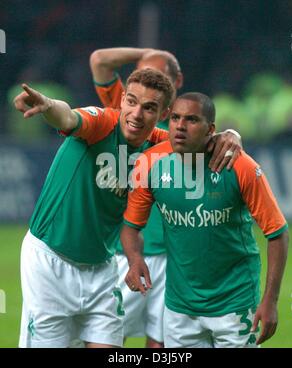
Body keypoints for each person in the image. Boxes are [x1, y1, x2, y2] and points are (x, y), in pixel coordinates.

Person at [14, 69, 239, 348]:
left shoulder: (160, 144)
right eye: (131, 102)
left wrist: (232, 134)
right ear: (122, 100)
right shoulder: (101, 123)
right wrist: (48, 105)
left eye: (149, 108)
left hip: (102, 268)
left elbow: (204, 140)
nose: (136, 113)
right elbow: (68, 116)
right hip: (50, 261)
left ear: (164, 114)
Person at [90, 47, 242, 347]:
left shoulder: (188, 127)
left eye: (159, 76)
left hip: (175, 258)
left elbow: (221, 141)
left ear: (177, 81)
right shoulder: (132, 116)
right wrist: (146, 51)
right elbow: (99, 61)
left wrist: (233, 134)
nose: (150, 81)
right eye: (142, 75)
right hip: (126, 252)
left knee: (162, 343)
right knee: (104, 336)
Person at [120, 92, 289, 348]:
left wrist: (271, 301)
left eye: (191, 120)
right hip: (180, 308)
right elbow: (131, 227)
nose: (180, 126)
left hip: (235, 304)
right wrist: (134, 259)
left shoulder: (240, 166)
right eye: (175, 118)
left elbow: (277, 232)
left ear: (210, 129)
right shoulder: (150, 164)